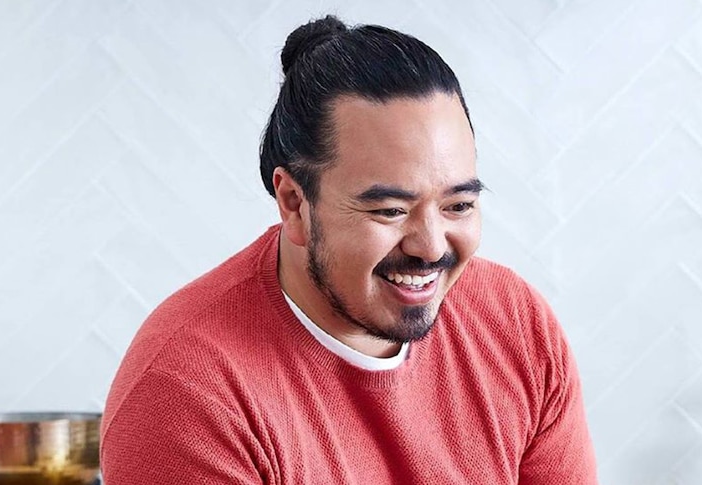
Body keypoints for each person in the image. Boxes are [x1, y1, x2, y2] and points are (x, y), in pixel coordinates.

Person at [100, 15, 598, 484]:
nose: (429, 248)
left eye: (458, 205)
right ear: (294, 203)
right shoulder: (185, 391)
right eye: (389, 211)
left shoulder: (515, 324)